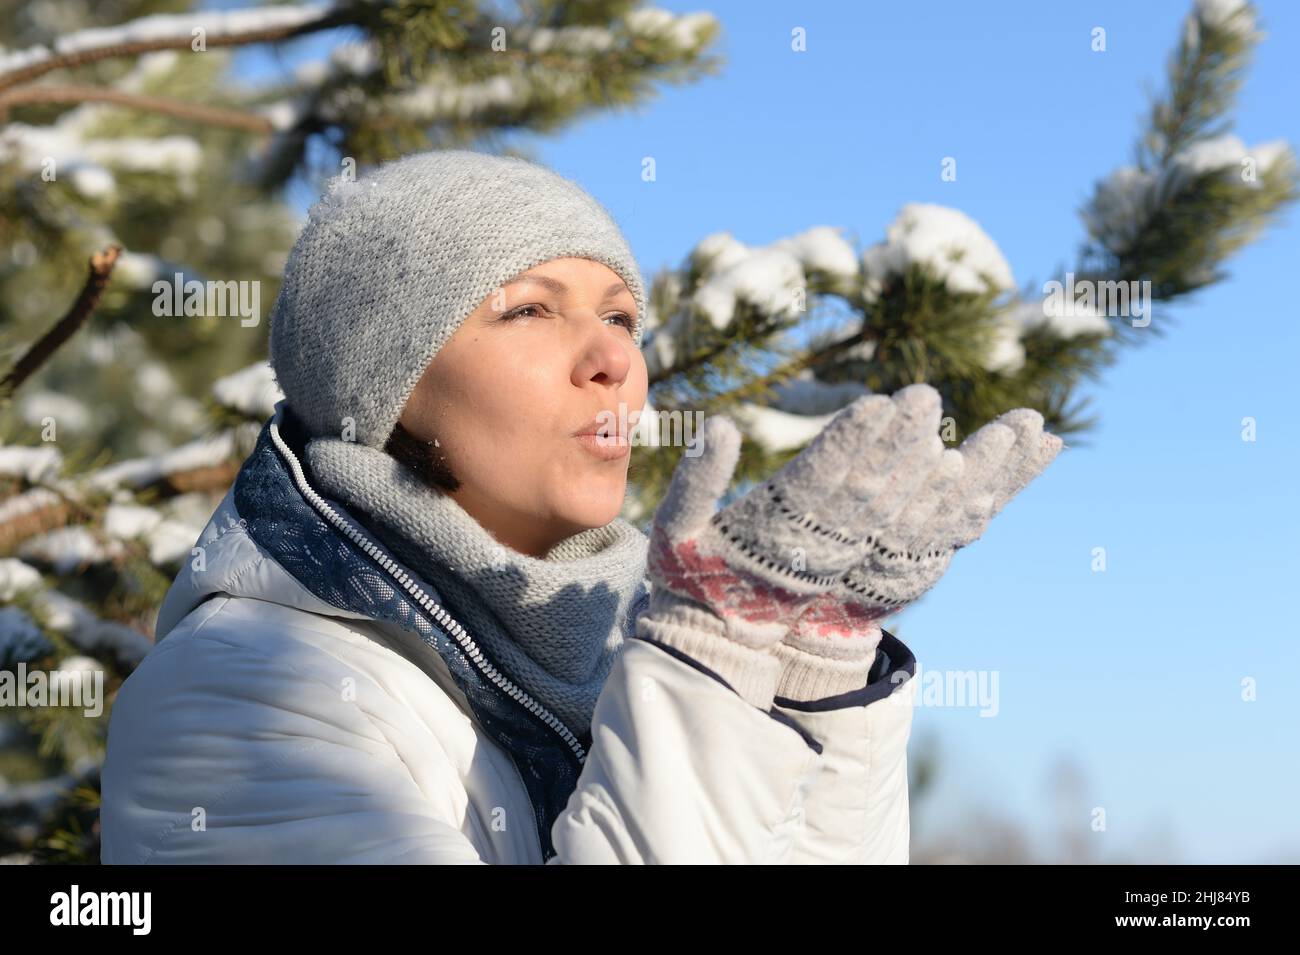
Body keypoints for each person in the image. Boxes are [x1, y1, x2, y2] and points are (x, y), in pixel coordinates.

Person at [99, 149, 1061, 864]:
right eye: (527, 308)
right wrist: (704, 669)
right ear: (380, 379)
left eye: (619, 316)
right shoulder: (241, 692)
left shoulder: (614, 655)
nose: (611, 358)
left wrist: (816, 676)